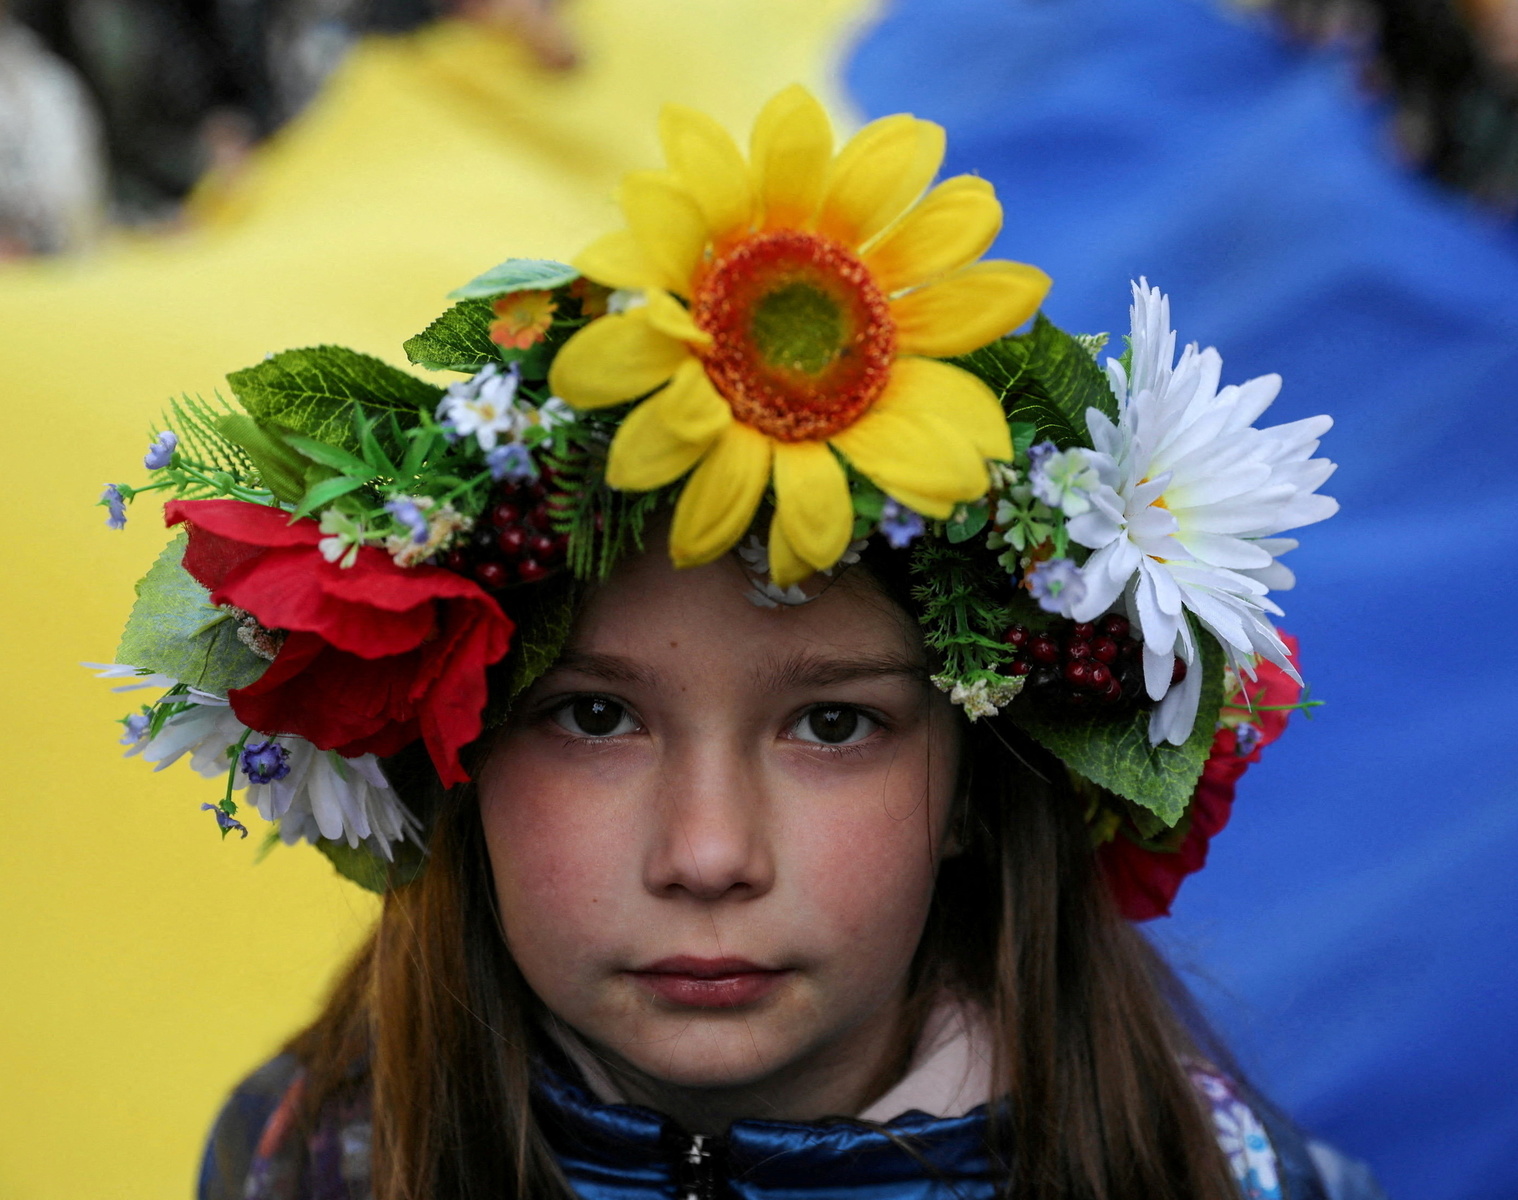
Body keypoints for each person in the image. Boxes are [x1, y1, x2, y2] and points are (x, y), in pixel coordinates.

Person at [91, 85, 1369, 1199]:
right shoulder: (302, 1161)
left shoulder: (1226, 1178)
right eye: (595, 716)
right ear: (454, 758)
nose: (708, 855)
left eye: (833, 723)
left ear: (975, 784)